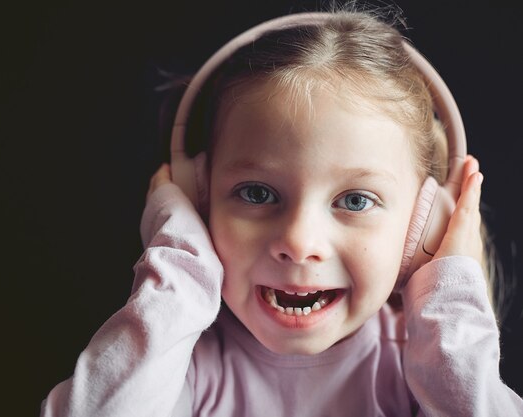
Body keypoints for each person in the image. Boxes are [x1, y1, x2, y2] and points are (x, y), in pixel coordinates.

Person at [40, 6, 523, 417]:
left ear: (426, 224)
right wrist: (179, 264)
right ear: (197, 200)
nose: (298, 242)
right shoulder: (178, 364)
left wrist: (449, 318)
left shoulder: (418, 371)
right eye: (256, 193)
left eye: (355, 200)